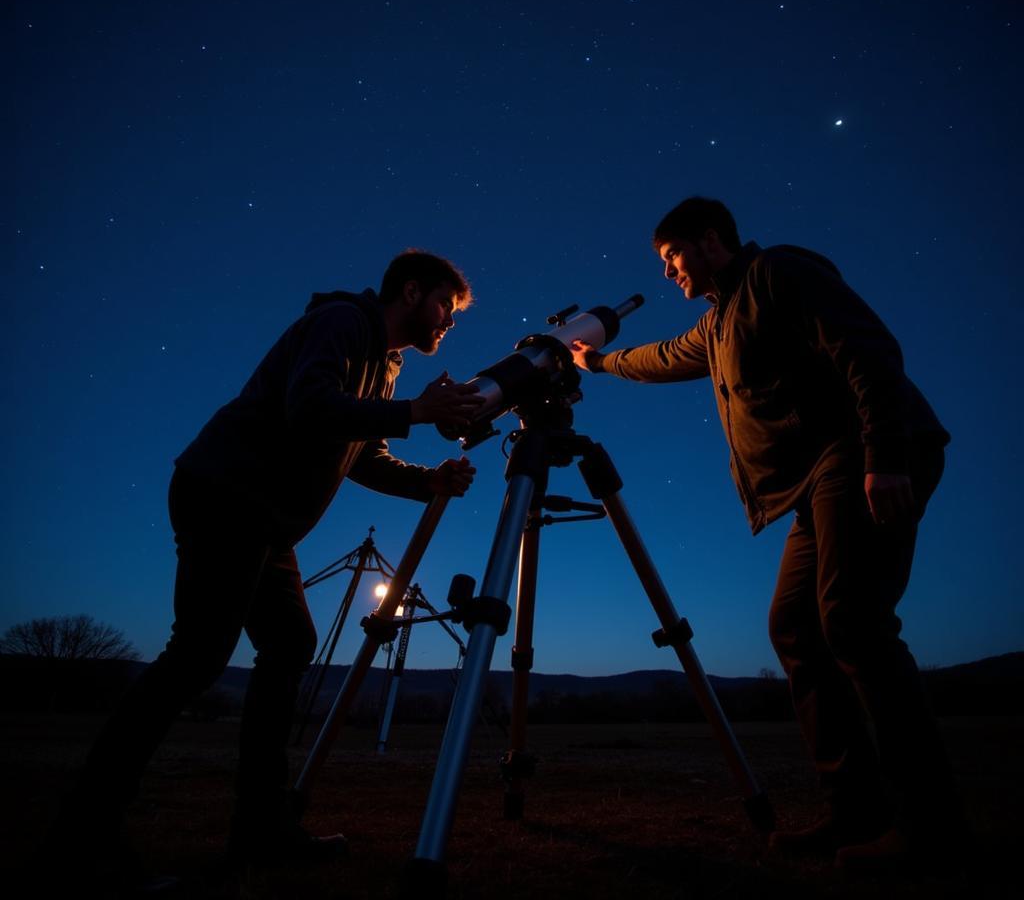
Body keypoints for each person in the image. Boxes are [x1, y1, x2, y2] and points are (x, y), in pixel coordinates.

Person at [51, 249, 484, 884]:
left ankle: (261, 828)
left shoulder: (384, 365)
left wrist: (432, 481)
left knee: (289, 644)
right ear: (412, 292)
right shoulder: (343, 322)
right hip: (227, 492)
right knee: (197, 656)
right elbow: (308, 408)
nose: (449, 323)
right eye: (446, 306)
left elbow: (362, 454)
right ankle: (83, 834)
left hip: (265, 517)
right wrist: (418, 412)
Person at [571, 197, 964, 871]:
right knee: (796, 629)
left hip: (860, 452)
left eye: (672, 258)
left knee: (855, 623)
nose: (668, 274)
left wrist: (886, 457)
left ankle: (929, 826)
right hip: (814, 485)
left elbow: (869, 352)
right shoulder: (716, 322)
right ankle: (855, 811)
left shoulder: (780, 273)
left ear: (710, 241)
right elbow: (662, 357)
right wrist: (597, 363)